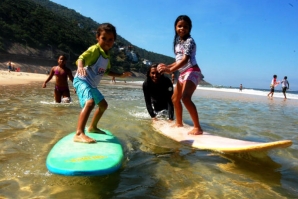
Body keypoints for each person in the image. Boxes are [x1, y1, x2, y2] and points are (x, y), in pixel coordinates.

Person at [73, 23, 131, 143]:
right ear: (97, 37)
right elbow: (81, 58)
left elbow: (107, 71)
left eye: (111, 39)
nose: (107, 42)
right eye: (104, 38)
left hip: (91, 84)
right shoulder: (95, 50)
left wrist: (121, 75)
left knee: (103, 105)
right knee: (90, 103)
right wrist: (80, 67)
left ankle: (93, 127)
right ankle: (79, 133)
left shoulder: (107, 56)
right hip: (82, 80)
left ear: (114, 41)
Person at [157, 15, 203, 135]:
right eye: (179, 26)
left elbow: (185, 60)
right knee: (175, 99)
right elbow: (178, 61)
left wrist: (169, 70)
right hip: (183, 73)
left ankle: (198, 127)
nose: (182, 28)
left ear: (190, 28)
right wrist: (167, 66)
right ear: (175, 27)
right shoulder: (178, 43)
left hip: (192, 71)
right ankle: (179, 123)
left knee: (186, 98)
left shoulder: (189, 41)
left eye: (185, 26)